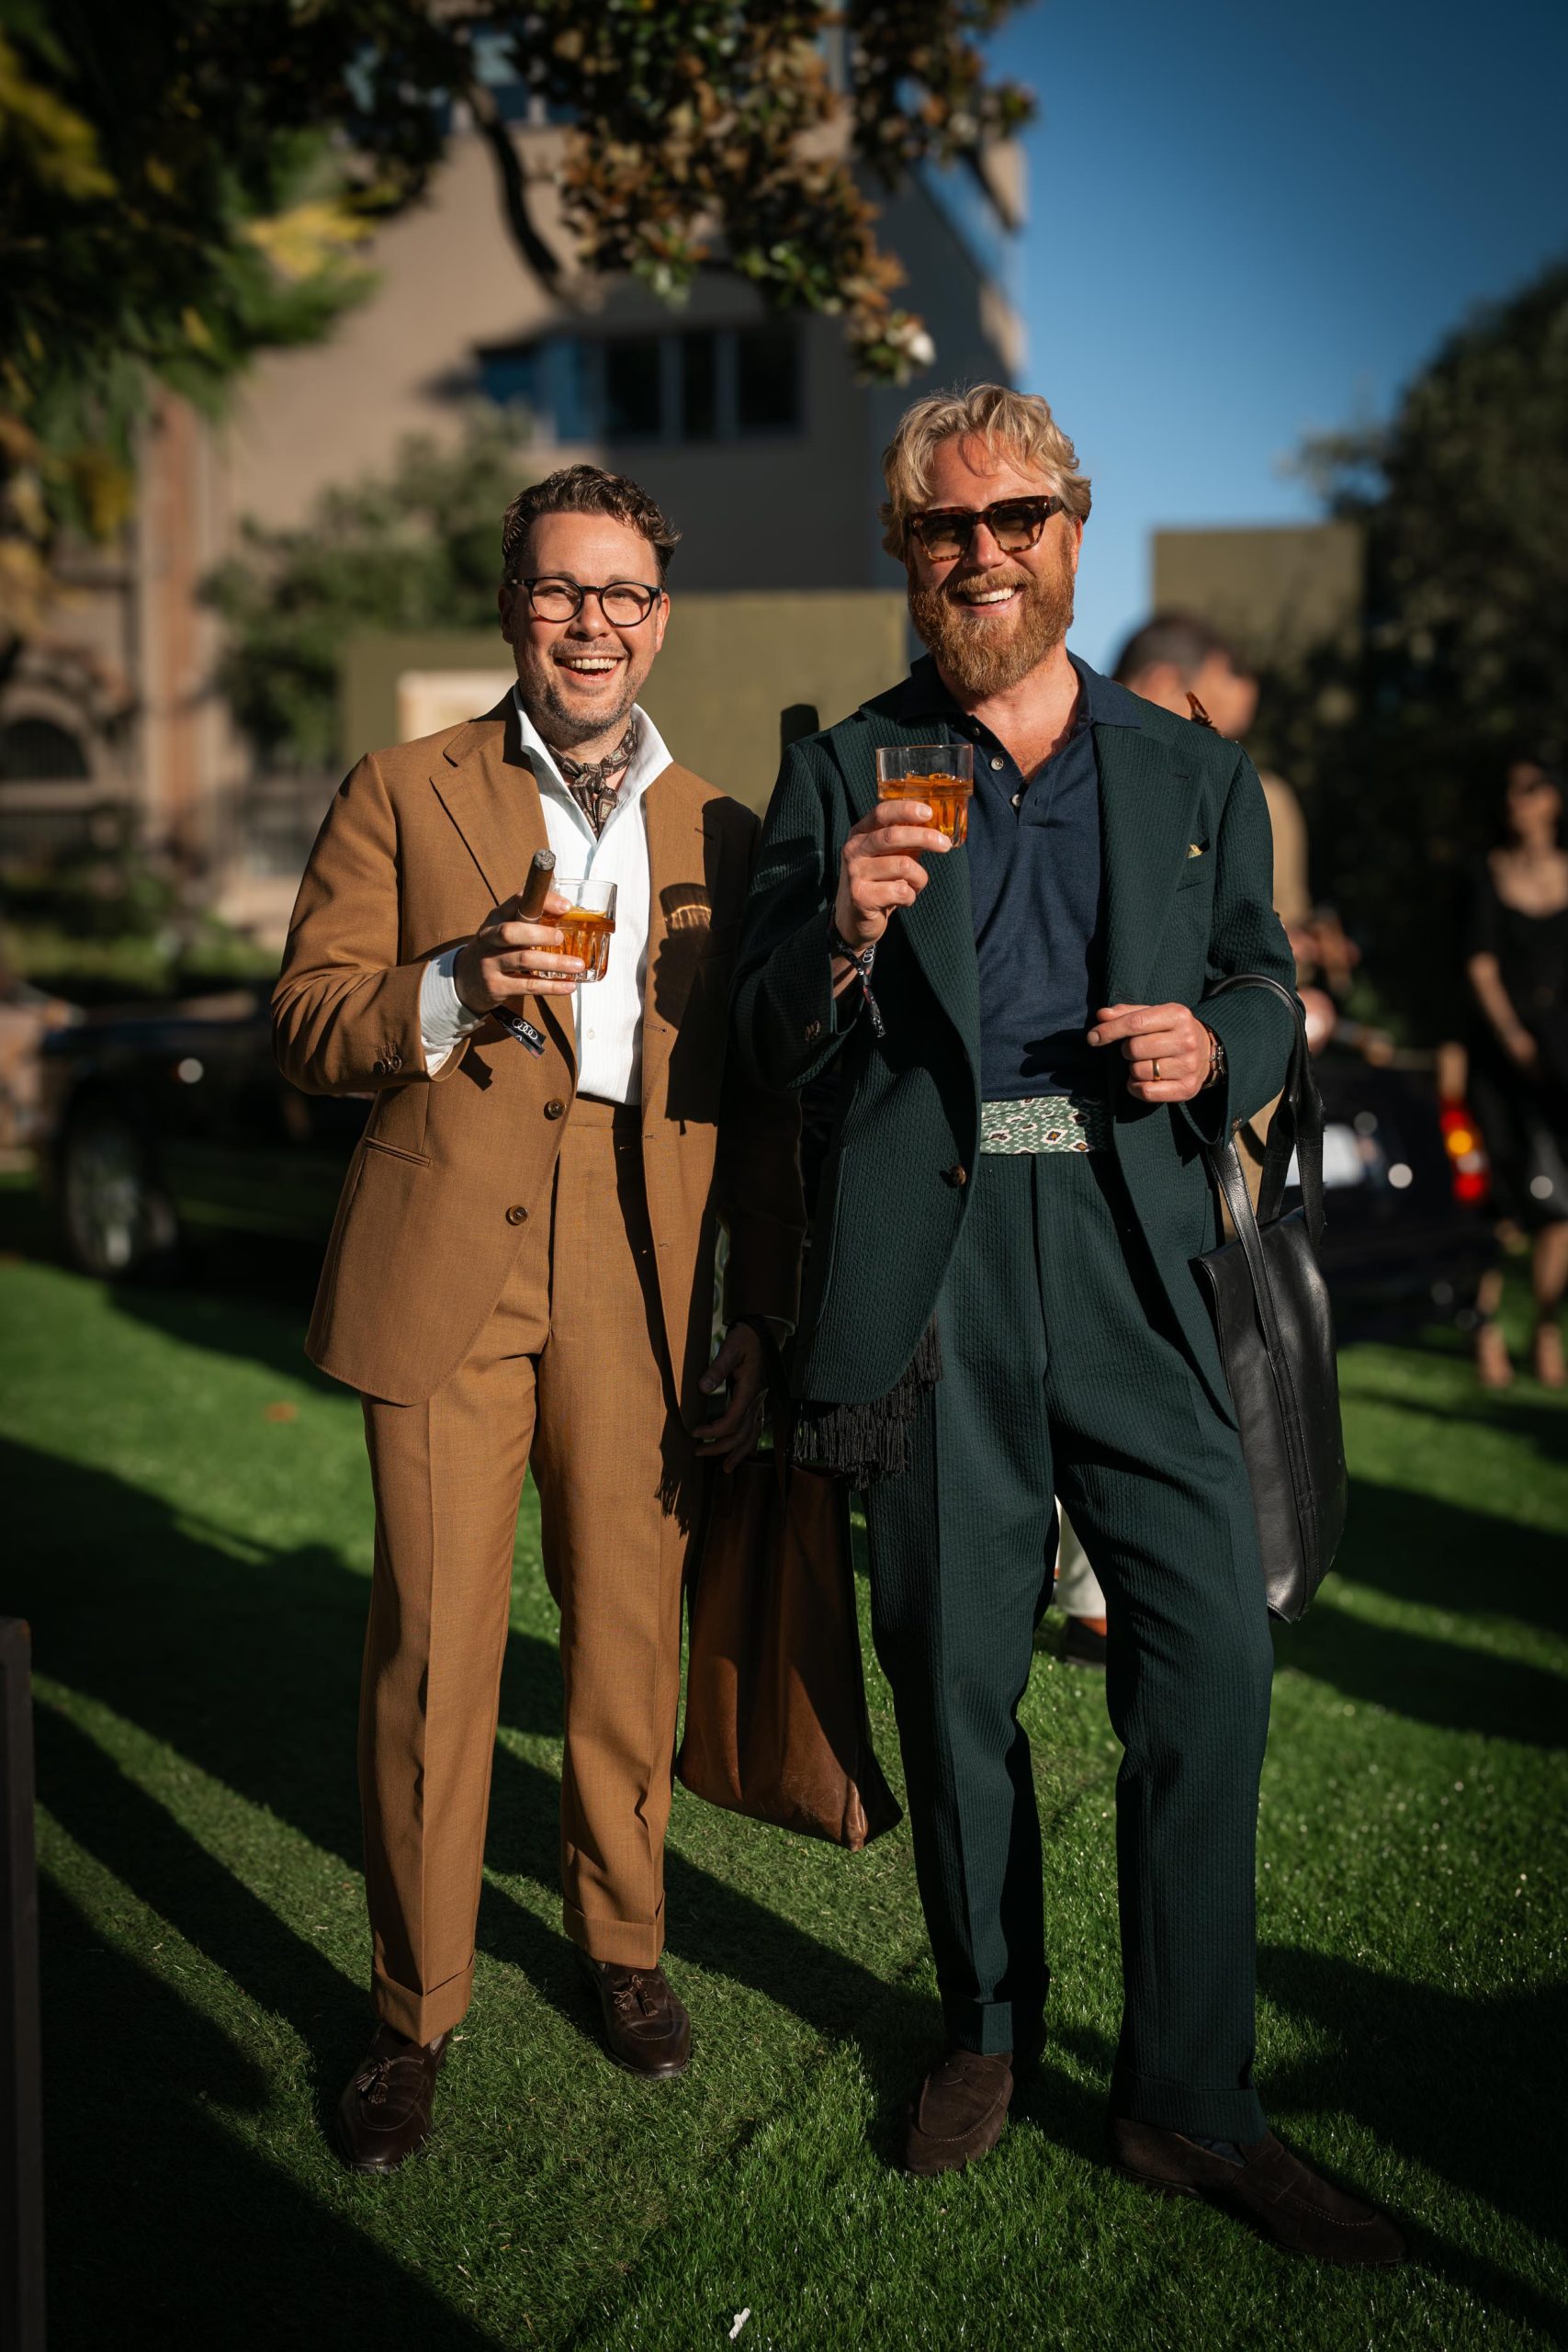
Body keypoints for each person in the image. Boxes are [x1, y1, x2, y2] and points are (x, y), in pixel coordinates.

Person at [731, 385, 1404, 2262]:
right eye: (948, 527)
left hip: (1128, 1245)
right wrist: (838, 938)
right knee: (952, 1681)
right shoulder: (847, 765)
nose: (984, 551)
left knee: (1208, 1661)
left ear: (1073, 529)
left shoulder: (1193, 775)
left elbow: (1266, 984)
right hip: (934, 1262)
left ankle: (1186, 2092)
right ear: (905, 550)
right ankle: (985, 2029)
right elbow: (757, 1033)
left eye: (1016, 516)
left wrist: (1220, 1045)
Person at [273, 463, 803, 2170]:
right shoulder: (403, 786)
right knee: (436, 1647)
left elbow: (750, 1095)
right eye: (563, 591)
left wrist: (743, 1313)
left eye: (624, 594)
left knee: (626, 1628)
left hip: (637, 1256)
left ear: (660, 618)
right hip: (446, 1241)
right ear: (516, 608)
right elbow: (304, 1015)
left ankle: (622, 1943)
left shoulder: (721, 825)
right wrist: (454, 977)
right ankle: (412, 2010)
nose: (593, 622)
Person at [1465, 756, 1568, 1389]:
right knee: (1497, 1205)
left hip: (1562, 1058)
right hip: (1500, 1055)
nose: (1518, 802)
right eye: (1510, 791)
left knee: (1560, 1204)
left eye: (1532, 790)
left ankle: (1546, 1330)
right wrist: (1510, 1035)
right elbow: (1479, 966)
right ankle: (1485, 1331)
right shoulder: (1483, 874)